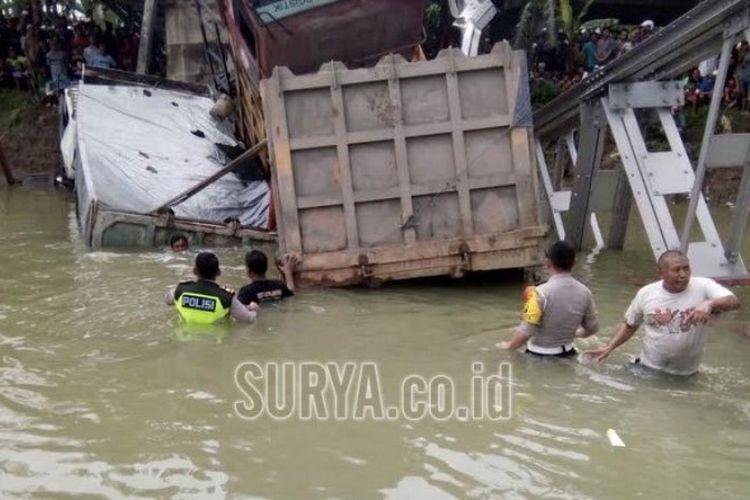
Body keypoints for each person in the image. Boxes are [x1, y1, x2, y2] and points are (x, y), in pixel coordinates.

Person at [587, 250, 741, 376]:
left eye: (686, 268)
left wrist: (710, 303)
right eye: (676, 270)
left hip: (687, 374)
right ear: (661, 273)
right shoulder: (646, 293)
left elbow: (733, 301)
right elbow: (630, 325)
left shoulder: (703, 286)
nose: (683, 274)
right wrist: (608, 348)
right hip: (648, 369)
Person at [497, 240, 599, 357]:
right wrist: (571, 334)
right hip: (570, 354)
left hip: (538, 356)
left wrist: (508, 346)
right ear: (574, 263)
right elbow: (592, 328)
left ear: (547, 263)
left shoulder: (539, 293)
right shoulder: (585, 292)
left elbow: (526, 332)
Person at [165, 252, 258, 325]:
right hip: (215, 344)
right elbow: (249, 320)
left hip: (183, 340)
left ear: (194, 271)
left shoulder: (179, 290)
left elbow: (168, 301)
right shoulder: (226, 298)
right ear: (218, 272)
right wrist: (254, 308)